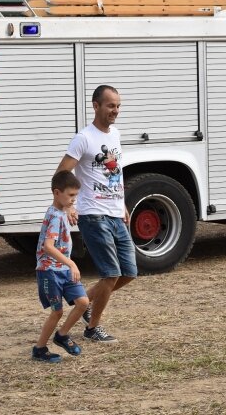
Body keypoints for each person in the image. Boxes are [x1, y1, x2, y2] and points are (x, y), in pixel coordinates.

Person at [55, 84, 136, 344]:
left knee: (129, 272)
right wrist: (68, 206)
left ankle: (83, 302)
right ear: (96, 105)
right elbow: (62, 174)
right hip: (93, 215)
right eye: (111, 105)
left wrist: (121, 203)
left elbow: (115, 174)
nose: (115, 111)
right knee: (110, 274)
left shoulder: (115, 135)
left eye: (118, 106)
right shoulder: (84, 138)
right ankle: (92, 328)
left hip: (114, 213)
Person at [32, 170, 89, 363]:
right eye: (71, 195)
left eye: (76, 195)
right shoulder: (54, 216)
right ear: (57, 193)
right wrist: (71, 262)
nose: (74, 199)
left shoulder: (62, 209)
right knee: (57, 311)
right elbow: (48, 247)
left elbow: (68, 208)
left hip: (62, 269)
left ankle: (62, 335)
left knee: (83, 302)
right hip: (49, 271)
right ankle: (39, 349)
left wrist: (70, 208)